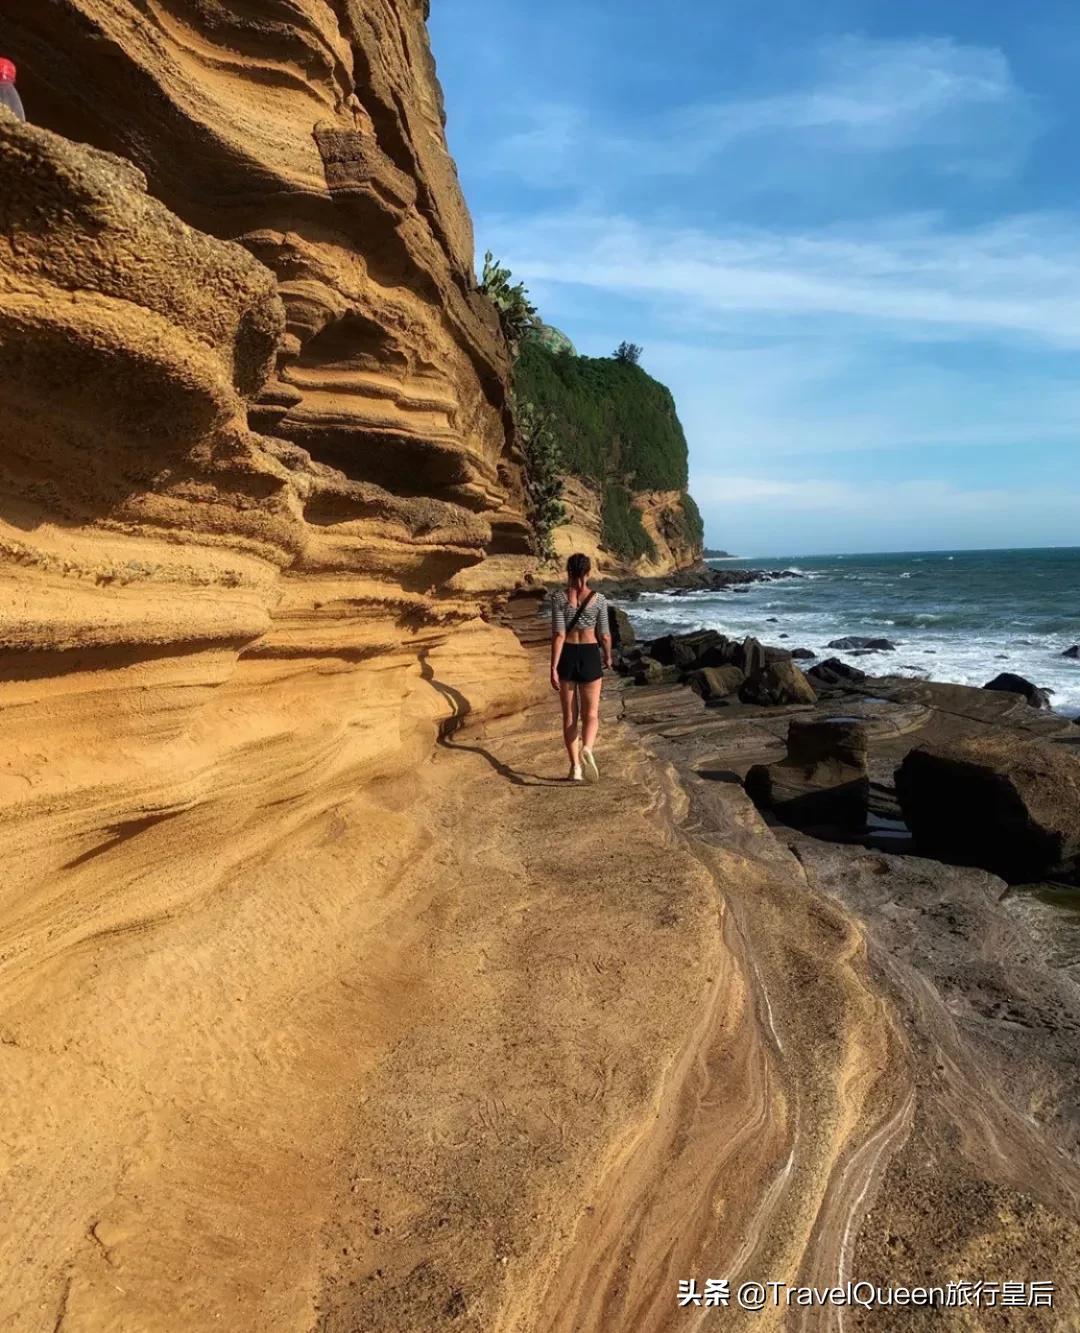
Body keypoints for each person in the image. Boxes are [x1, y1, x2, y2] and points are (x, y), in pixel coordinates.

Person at [550, 553, 612, 783]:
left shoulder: (558, 598)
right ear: (588, 573)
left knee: (569, 717)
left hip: (567, 654)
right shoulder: (599, 600)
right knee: (591, 714)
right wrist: (607, 657)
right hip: (589, 655)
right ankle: (587, 747)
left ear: (568, 572)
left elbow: (558, 634)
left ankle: (575, 767)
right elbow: (604, 634)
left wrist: (553, 667)